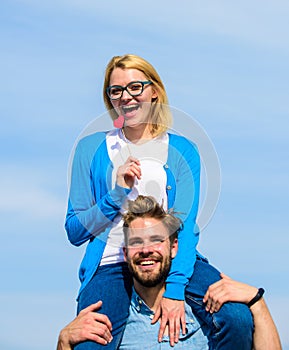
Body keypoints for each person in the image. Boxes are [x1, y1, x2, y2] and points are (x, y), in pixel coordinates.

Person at [65, 54, 252, 349]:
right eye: (116, 91)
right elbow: (74, 231)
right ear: (109, 98)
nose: (126, 97)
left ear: (154, 91)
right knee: (91, 342)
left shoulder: (183, 149)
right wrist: (115, 195)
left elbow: (187, 226)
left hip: (172, 259)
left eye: (135, 87)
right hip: (111, 264)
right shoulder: (91, 149)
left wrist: (175, 290)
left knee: (237, 319)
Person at [58, 196, 281, 350]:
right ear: (125, 253)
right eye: (137, 242)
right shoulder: (110, 325)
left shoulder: (209, 318)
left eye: (156, 240)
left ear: (174, 247)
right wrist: (64, 342)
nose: (146, 251)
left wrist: (257, 303)